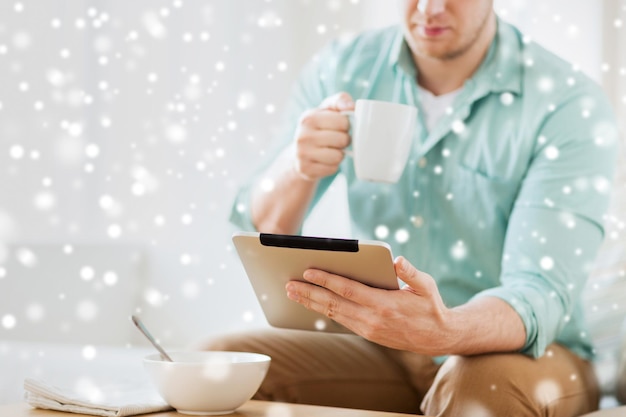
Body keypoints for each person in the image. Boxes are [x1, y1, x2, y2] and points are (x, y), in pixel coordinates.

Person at [210, 0, 620, 416]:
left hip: (531, 353)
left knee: (479, 388)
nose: (430, 8)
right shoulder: (343, 67)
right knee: (215, 369)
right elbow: (261, 229)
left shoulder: (566, 102)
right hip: (387, 348)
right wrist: (297, 168)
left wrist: (445, 331)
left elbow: (538, 294)